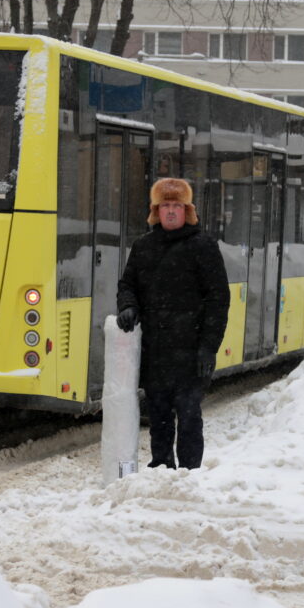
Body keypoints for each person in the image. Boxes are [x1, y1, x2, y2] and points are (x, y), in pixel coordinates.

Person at [116, 178, 230, 470]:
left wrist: (208, 347)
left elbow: (218, 300)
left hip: (192, 353)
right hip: (156, 352)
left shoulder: (203, 247)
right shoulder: (144, 247)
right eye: (164, 205)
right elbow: (127, 285)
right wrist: (128, 306)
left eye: (176, 206)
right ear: (156, 211)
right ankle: (162, 467)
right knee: (159, 416)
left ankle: (189, 474)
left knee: (189, 415)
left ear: (187, 210)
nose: (170, 211)